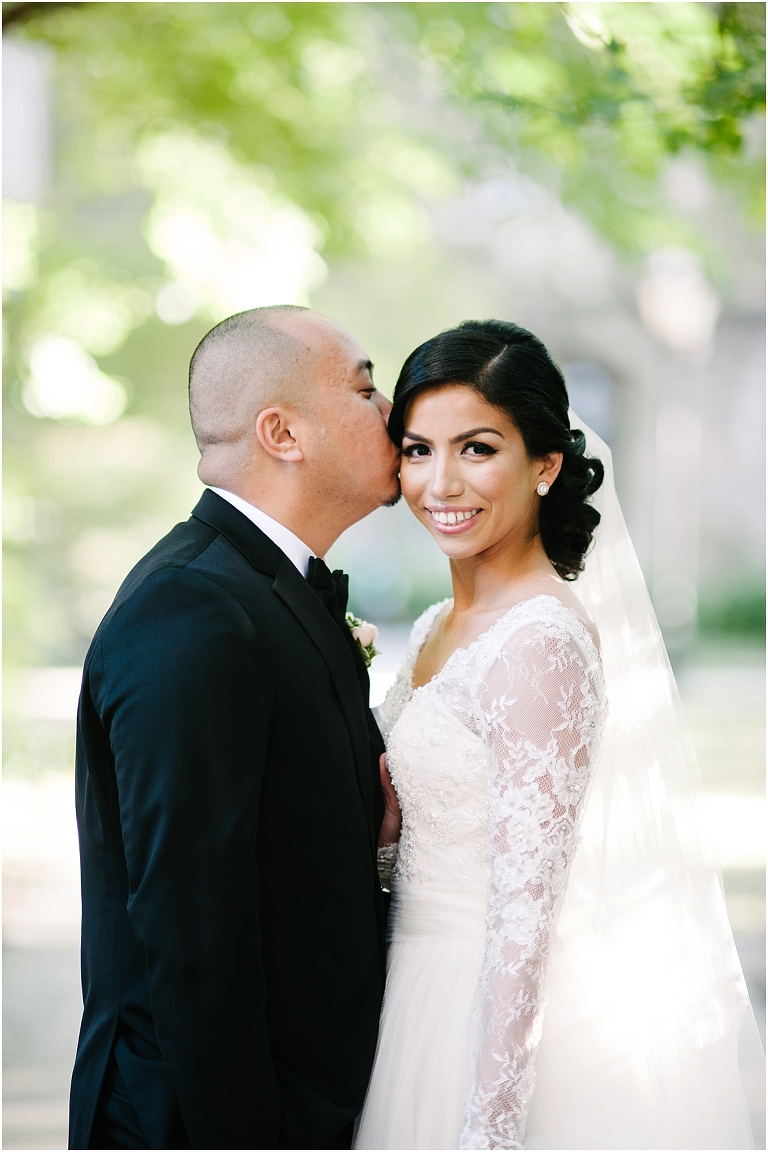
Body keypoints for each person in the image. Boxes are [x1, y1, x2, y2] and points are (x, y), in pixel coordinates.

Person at [355, 319, 763, 1150]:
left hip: (481, 1013)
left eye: (476, 448)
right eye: (418, 449)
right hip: (406, 987)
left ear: (544, 465)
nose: (440, 482)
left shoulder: (539, 640)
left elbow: (525, 913)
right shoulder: (440, 623)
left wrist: (491, 1123)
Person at [69, 305, 402, 1151]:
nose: (393, 413)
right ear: (283, 432)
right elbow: (191, 929)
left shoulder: (271, 591)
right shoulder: (193, 608)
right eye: (367, 391)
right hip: (200, 1121)